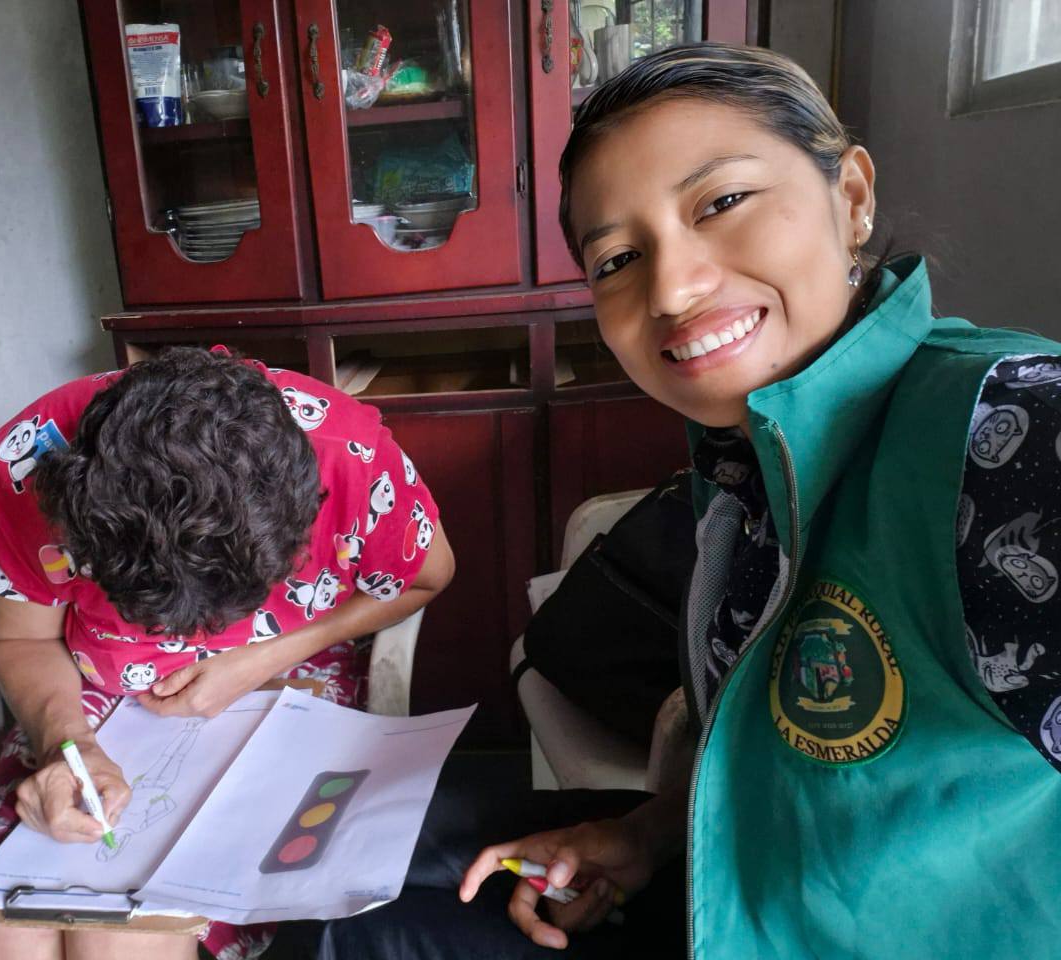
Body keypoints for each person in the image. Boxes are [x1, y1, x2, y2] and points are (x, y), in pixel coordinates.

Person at [322, 42, 1061, 959]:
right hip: (734, 885)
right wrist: (648, 836)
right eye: (618, 258)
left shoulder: (1009, 434)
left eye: (722, 202)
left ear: (852, 195)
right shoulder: (745, 460)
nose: (671, 288)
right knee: (354, 881)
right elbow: (782, 766)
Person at [0, 346, 454, 960]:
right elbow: (24, 637)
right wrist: (68, 745)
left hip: (288, 667)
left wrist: (262, 657)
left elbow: (425, 578)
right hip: (87, 688)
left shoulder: (349, 456)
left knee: (128, 937)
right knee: (5, 927)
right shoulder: (34, 460)